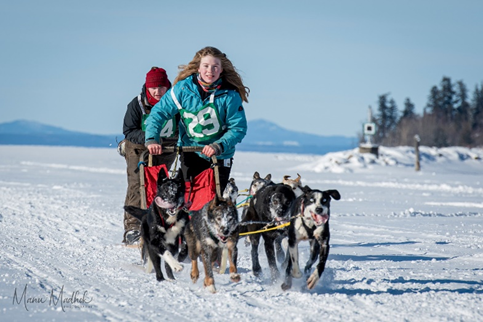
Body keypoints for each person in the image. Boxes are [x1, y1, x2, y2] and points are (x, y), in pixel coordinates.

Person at [145, 46, 249, 196]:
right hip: (191, 150)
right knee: (189, 199)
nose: (210, 71)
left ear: (221, 70)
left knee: (211, 201)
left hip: (219, 155)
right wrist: (151, 138)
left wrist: (218, 145)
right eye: (206, 66)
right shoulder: (182, 89)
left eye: (215, 67)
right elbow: (158, 113)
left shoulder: (230, 95)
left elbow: (238, 128)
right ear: (198, 68)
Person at [122, 67, 179, 245]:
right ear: (147, 87)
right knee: (138, 183)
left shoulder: (176, 102)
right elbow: (129, 130)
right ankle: (132, 228)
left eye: (161, 87)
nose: (157, 91)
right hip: (139, 148)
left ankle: (162, 225)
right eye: (153, 87)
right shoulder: (137, 104)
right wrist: (148, 140)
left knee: (161, 186)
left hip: (167, 148)